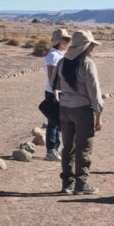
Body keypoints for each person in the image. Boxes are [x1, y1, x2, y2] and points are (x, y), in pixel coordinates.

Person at [50, 30, 104, 195]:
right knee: (84, 147)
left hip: (65, 109)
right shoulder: (87, 64)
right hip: (82, 110)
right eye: (92, 45)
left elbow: (54, 85)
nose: (93, 48)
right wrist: (99, 116)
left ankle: (67, 183)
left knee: (68, 148)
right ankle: (81, 183)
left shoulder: (62, 62)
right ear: (86, 46)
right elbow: (94, 93)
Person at [44, 28, 71, 162]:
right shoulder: (53, 55)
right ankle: (51, 150)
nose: (68, 42)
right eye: (66, 39)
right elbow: (51, 75)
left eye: (68, 39)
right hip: (54, 92)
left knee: (59, 121)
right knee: (53, 121)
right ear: (59, 41)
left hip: (61, 91)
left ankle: (56, 147)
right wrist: (56, 90)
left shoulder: (61, 54)